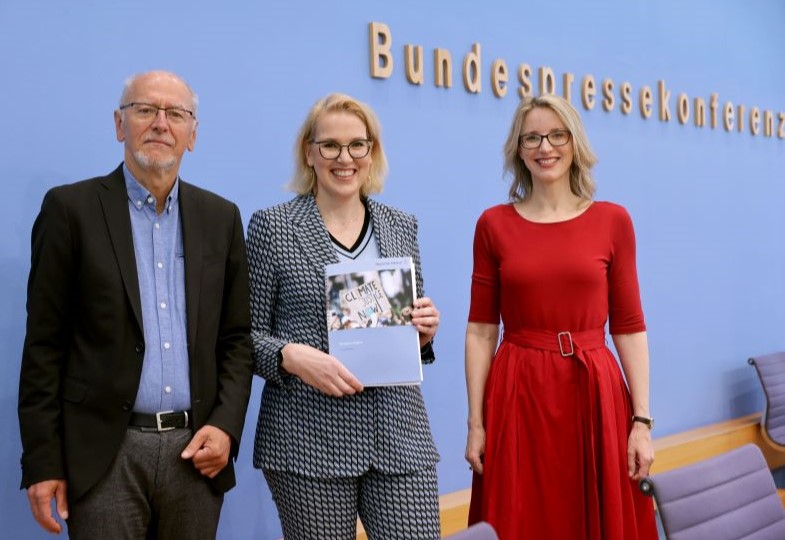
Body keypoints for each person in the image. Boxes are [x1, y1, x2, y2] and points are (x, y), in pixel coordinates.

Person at [18, 70, 253, 539]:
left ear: (193, 133)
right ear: (119, 124)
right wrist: (43, 461)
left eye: (176, 114)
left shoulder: (220, 218)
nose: (160, 123)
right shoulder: (70, 210)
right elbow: (44, 347)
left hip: (196, 452)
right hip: (106, 453)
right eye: (145, 109)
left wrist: (226, 427)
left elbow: (236, 341)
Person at [246, 93, 441, 539]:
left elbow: (410, 328)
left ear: (372, 152)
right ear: (309, 153)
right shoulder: (272, 227)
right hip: (307, 439)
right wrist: (291, 356)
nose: (344, 157)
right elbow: (243, 336)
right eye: (330, 145)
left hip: (399, 435)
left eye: (357, 144)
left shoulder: (400, 226)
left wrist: (424, 332)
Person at [464, 94, 658, 539]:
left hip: (595, 391)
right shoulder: (493, 225)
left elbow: (629, 327)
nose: (544, 147)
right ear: (518, 148)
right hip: (518, 393)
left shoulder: (613, 221)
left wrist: (641, 421)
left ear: (575, 143)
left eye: (556, 135)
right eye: (531, 136)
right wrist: (476, 424)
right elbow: (479, 332)